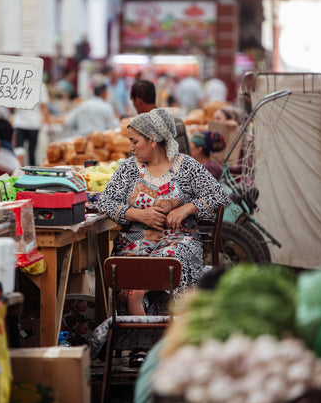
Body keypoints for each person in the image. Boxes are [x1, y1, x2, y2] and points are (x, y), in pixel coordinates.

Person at [97, 108, 229, 315]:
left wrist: (187, 208)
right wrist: (139, 214)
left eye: (135, 141)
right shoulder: (129, 168)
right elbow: (105, 202)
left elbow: (219, 196)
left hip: (178, 239)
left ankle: (139, 293)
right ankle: (141, 317)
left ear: (153, 140)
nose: (131, 148)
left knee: (171, 258)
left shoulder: (186, 166)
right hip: (136, 240)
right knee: (126, 267)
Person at [130, 79, 191, 155]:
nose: (133, 105)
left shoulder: (139, 131)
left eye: (133, 101)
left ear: (139, 102)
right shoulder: (178, 123)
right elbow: (188, 155)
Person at [13, 81, 51, 166]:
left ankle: (18, 171)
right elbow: (44, 106)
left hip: (22, 123)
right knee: (31, 152)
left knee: (19, 151)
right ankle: (31, 173)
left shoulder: (18, 82)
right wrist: (48, 124)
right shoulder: (41, 85)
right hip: (33, 123)